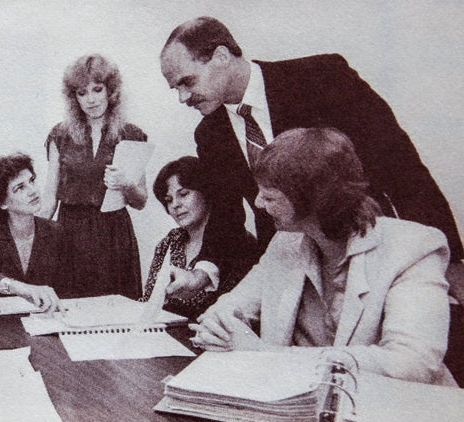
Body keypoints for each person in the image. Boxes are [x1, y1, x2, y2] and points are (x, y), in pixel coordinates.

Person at [158, 16, 464, 292]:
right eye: (176, 89)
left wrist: (448, 259)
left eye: (187, 81)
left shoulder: (323, 79)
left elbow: (403, 169)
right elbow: (225, 213)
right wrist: (202, 272)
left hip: (371, 256)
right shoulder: (210, 134)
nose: (183, 97)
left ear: (221, 56)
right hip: (293, 274)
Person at [190, 128, 456, 386]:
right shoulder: (284, 243)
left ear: (313, 200)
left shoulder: (413, 247)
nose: (258, 203)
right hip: (304, 410)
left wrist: (265, 354)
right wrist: (217, 327)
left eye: (269, 196)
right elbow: (228, 308)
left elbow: (411, 364)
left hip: (396, 417)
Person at [40, 53, 148, 300]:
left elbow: (141, 201)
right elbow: (49, 199)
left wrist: (126, 184)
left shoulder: (131, 134)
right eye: (81, 92)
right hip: (70, 234)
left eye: (97, 90)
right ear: (73, 97)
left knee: (116, 314)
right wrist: (30, 238)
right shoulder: (60, 135)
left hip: (114, 235)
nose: (90, 99)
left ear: (111, 91)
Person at [140, 156, 257, 320]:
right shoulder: (169, 241)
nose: (175, 205)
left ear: (206, 192)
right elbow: (148, 300)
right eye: (169, 200)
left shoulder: (238, 243)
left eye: (183, 194)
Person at [0, 153, 68, 311]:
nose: (32, 190)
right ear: (2, 202)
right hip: (1, 326)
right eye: (20, 187)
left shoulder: (55, 231)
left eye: (31, 181)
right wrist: (17, 287)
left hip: (47, 321)